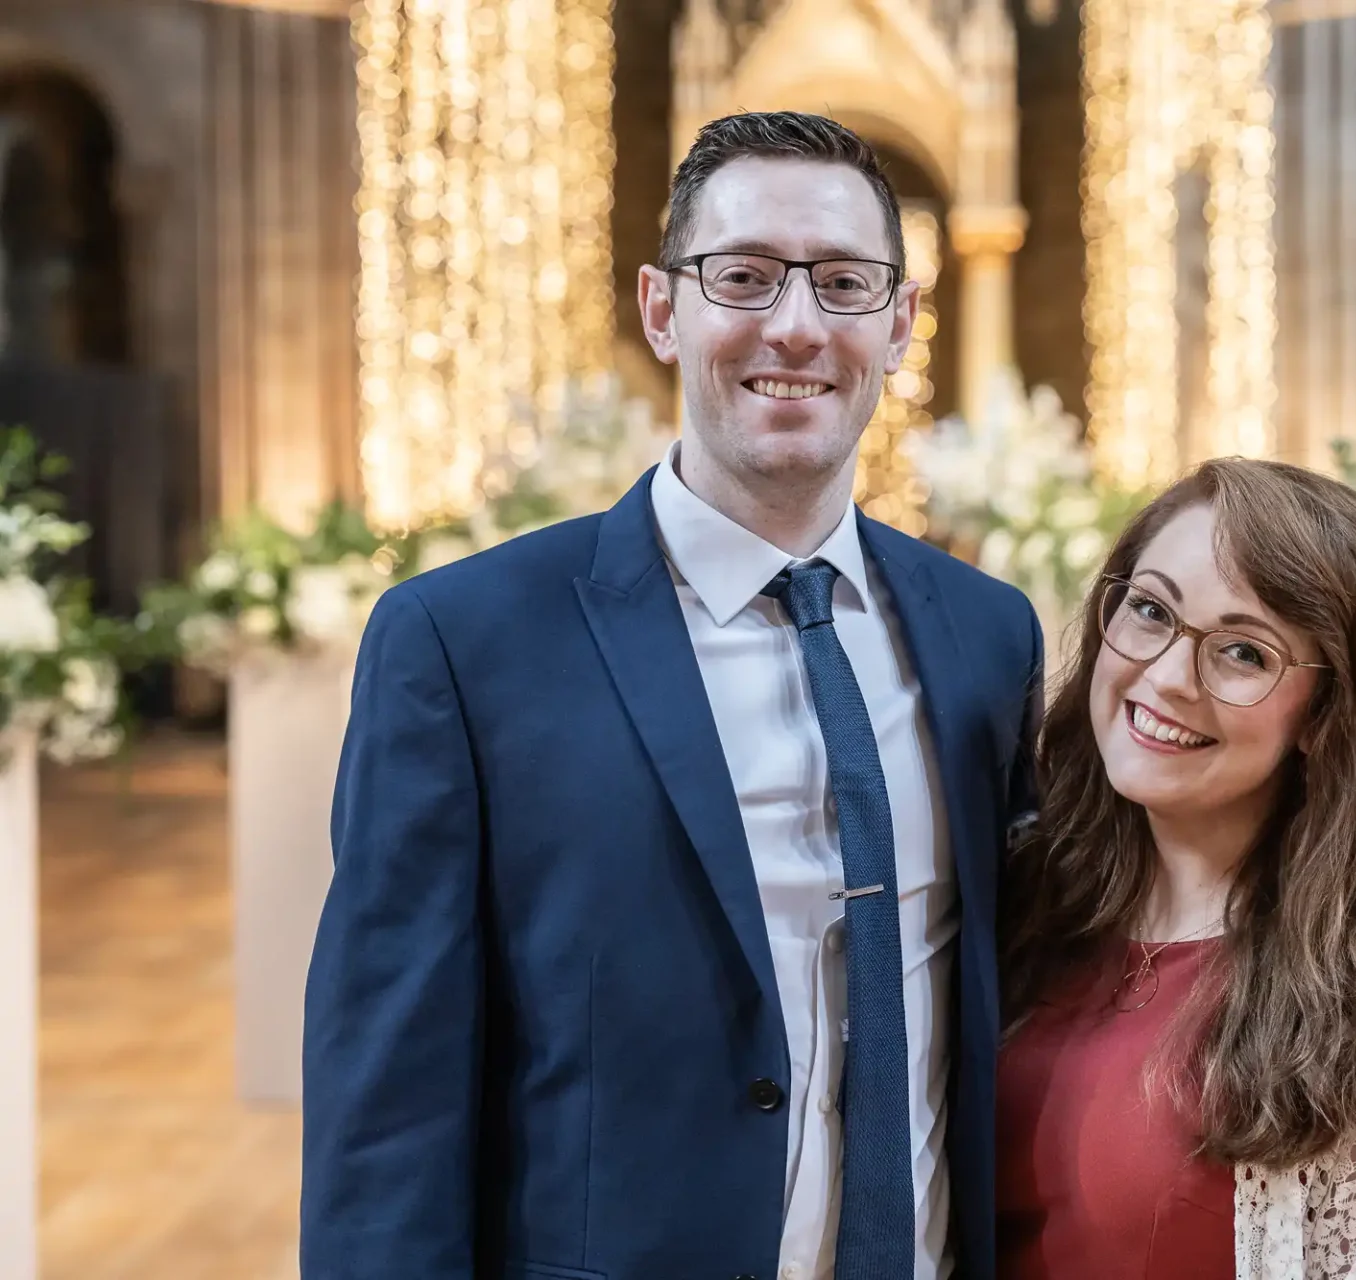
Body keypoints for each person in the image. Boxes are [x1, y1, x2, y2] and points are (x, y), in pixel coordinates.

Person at [301, 111, 1044, 1280]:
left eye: (846, 283)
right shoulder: (462, 642)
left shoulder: (988, 636)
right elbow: (386, 1106)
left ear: (900, 324)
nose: (795, 324)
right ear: (663, 309)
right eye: (742, 275)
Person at [996, 458, 1356, 1279]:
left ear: (1326, 711)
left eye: (1241, 653)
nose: (1165, 676)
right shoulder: (1024, 893)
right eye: (1151, 610)